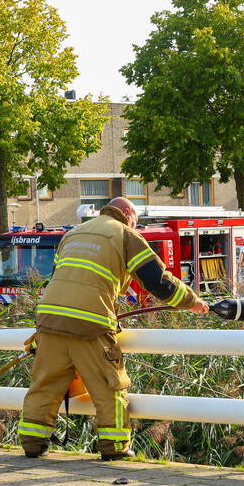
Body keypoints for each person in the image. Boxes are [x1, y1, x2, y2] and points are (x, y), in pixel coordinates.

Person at [20, 197, 209, 461]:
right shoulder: (126, 235)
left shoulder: (72, 234)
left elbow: (65, 277)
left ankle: (32, 443)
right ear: (128, 213)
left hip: (50, 319)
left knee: (45, 384)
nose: (136, 225)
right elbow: (156, 281)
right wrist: (192, 302)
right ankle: (114, 446)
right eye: (136, 221)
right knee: (109, 386)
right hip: (90, 323)